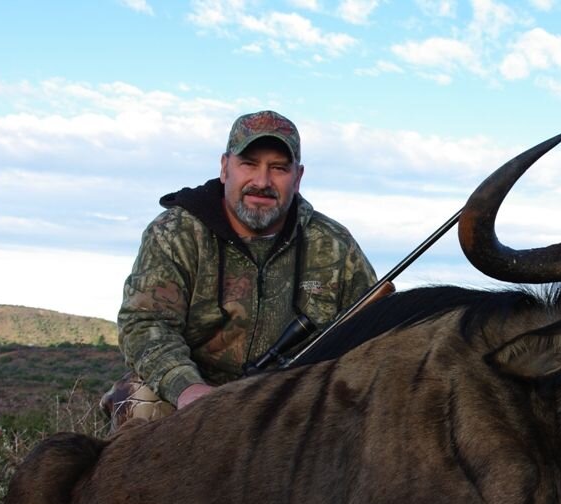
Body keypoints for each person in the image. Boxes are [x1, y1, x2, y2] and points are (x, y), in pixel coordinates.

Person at [102, 110, 377, 429]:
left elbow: (374, 331)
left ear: (298, 177)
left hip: (293, 401)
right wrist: (188, 389)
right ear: (224, 167)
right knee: (140, 401)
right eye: (249, 164)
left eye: (278, 168)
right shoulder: (175, 233)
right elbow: (144, 323)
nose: (262, 181)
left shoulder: (334, 244)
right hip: (196, 392)